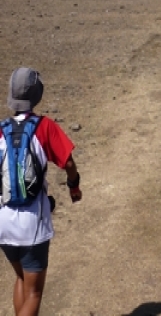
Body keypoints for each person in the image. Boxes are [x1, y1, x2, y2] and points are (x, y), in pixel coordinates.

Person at [0, 67, 82, 316]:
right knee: (35, 292)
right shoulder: (44, 126)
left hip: (3, 220)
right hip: (32, 222)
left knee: (22, 278)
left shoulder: (1, 129)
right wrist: (74, 186)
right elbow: (67, 163)